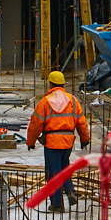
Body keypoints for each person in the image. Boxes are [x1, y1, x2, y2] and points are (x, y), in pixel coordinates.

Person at [26, 71, 91, 211]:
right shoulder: (72, 100)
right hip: (68, 142)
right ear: (63, 84)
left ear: (50, 84)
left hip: (52, 143)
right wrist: (85, 139)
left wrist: (30, 142)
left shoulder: (45, 101)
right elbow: (82, 122)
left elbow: (35, 124)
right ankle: (70, 191)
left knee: (53, 173)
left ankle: (56, 205)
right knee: (64, 168)